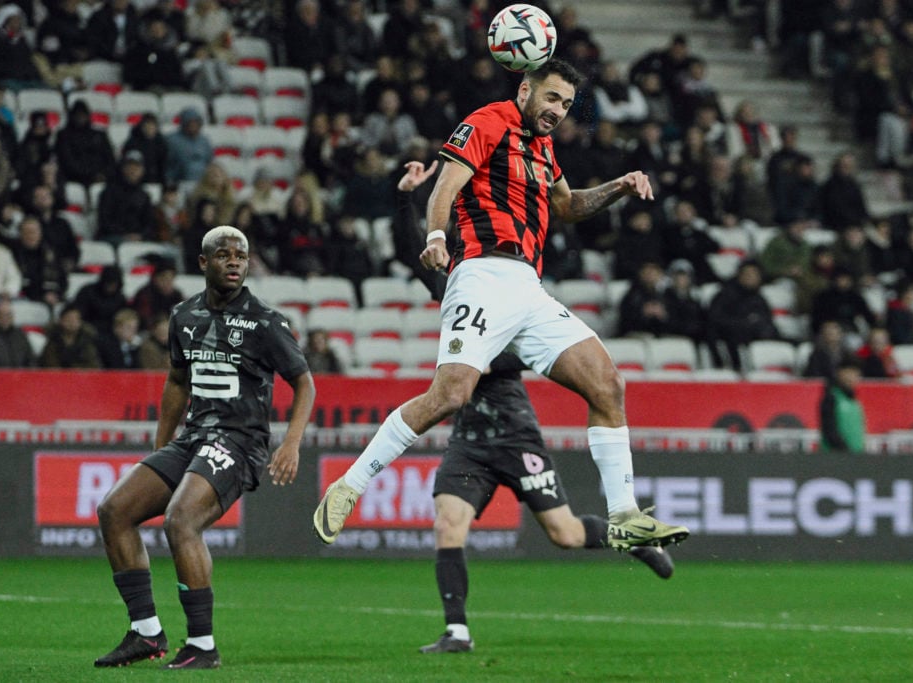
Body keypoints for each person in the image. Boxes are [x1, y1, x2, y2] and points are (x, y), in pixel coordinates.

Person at [313, 59, 689, 551]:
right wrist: (434, 235)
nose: (558, 111)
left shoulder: (544, 147)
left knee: (607, 384)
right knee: (450, 395)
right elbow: (447, 184)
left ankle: (623, 515)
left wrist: (619, 186)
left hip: (527, 288)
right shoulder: (488, 120)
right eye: (552, 98)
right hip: (481, 275)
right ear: (526, 88)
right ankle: (349, 485)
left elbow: (568, 206)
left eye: (567, 105)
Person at [393, 159, 674, 654]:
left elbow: (501, 357)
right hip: (469, 439)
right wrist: (408, 199)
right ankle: (456, 631)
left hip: (514, 431)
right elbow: (410, 250)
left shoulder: (517, 297)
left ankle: (631, 537)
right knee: (447, 522)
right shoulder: (455, 286)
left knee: (564, 534)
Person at [93, 225, 315, 670]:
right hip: (194, 438)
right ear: (203, 262)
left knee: (181, 519)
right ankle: (146, 633)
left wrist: (290, 443)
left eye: (241, 255)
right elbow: (177, 381)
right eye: (224, 254)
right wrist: (161, 447)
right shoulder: (184, 316)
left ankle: (202, 644)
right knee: (114, 511)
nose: (234, 261)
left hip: (240, 441)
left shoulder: (265, 321)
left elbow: (304, 382)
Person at [818, 358, 866, 454]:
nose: (851, 377)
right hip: (835, 458)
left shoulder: (856, 402)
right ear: (839, 373)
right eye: (848, 373)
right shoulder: (831, 398)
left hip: (857, 458)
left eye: (855, 374)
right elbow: (829, 430)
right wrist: (845, 452)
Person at [39, 304, 101, 369]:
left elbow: (93, 365)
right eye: (68, 319)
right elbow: (49, 363)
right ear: (61, 320)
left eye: (75, 319)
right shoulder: (53, 339)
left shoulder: (86, 341)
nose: (72, 322)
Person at [0, 296, 34, 367]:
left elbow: (31, 359)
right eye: (1, 315)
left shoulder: (20, 334)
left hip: (21, 375)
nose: (5, 318)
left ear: (13, 316)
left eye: (8, 315)